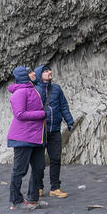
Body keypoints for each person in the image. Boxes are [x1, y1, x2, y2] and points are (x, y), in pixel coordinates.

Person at [6, 65, 46, 210]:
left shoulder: (33, 89)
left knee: (39, 168)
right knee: (20, 170)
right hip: (22, 137)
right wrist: (42, 114)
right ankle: (15, 201)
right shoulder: (20, 93)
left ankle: (32, 199)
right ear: (24, 76)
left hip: (36, 137)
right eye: (30, 72)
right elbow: (20, 114)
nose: (34, 73)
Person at [34, 64, 75, 198]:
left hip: (55, 129)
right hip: (40, 130)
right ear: (40, 75)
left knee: (56, 159)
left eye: (49, 70)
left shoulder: (57, 89)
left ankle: (55, 188)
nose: (49, 72)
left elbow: (64, 106)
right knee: (39, 161)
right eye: (46, 71)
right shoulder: (35, 90)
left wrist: (69, 121)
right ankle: (38, 187)